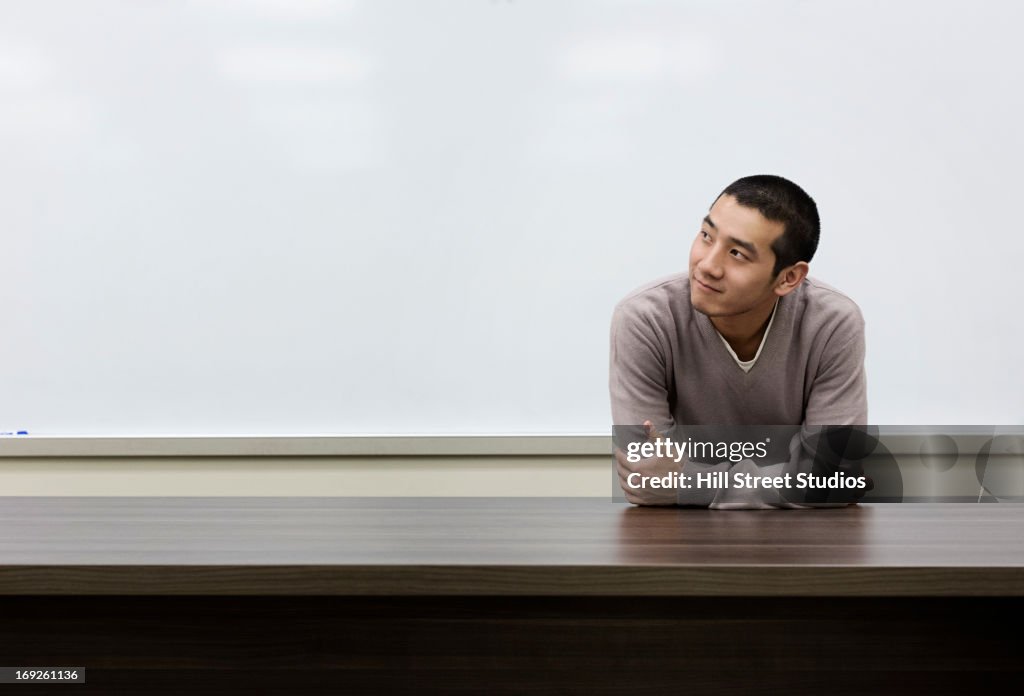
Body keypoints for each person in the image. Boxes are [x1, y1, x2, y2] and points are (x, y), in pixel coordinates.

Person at [609, 175, 868, 507]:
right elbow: (646, 476)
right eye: (706, 236)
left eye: (737, 253)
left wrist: (691, 482)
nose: (707, 265)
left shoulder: (832, 323)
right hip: (678, 538)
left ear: (789, 278)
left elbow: (832, 480)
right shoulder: (645, 319)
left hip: (800, 541)